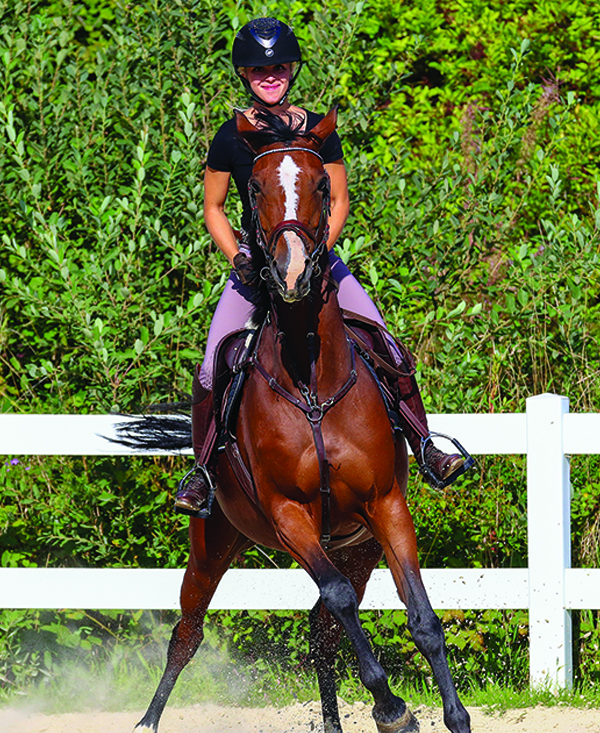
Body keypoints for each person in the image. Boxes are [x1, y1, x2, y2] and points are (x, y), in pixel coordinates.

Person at [175, 17, 471, 517]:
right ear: (244, 74)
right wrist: (239, 257)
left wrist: (313, 256)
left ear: (291, 69)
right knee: (210, 365)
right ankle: (202, 472)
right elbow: (213, 208)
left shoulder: (318, 129)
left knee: (384, 338)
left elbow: (338, 200)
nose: (270, 75)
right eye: (259, 69)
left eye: (279, 67)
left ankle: (426, 446)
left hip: (318, 259)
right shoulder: (231, 137)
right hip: (256, 268)